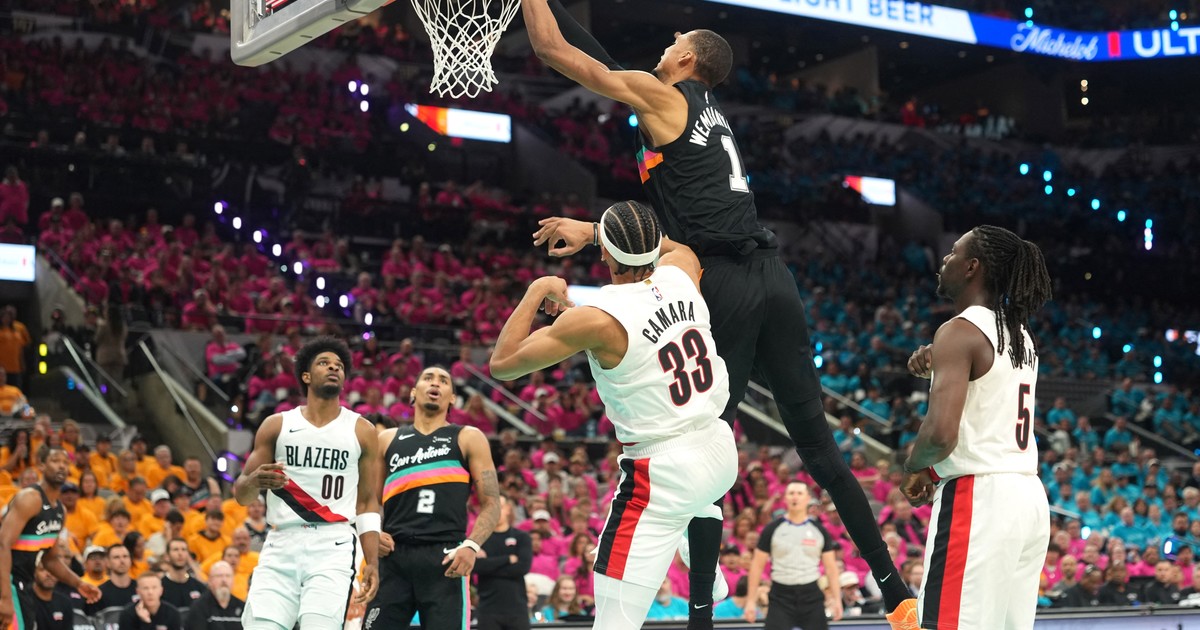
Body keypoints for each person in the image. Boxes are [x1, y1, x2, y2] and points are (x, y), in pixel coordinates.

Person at [522, 5, 914, 625]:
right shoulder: (703, 109)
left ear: (687, 58)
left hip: (723, 280)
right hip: (774, 277)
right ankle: (897, 595)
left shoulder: (664, 96)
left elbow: (556, 52)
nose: (667, 41)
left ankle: (702, 613)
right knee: (818, 447)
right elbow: (603, 56)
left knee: (703, 437)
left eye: (675, 38)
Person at [491, 201, 738, 629]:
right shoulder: (681, 271)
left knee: (613, 623)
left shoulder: (597, 320)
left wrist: (539, 288)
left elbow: (503, 363)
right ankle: (702, 564)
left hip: (663, 473)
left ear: (606, 252)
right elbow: (674, 249)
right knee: (696, 499)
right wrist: (594, 230)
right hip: (719, 450)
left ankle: (685, 539)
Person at [901, 226, 1053, 629]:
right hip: (1028, 497)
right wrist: (938, 360)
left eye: (953, 253)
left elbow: (940, 435)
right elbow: (986, 389)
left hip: (980, 497)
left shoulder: (959, 331)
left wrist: (915, 467)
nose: (944, 260)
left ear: (972, 267)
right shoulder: (1021, 335)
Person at [234, 337, 381, 630]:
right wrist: (253, 481)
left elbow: (367, 503)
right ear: (306, 376)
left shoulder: (362, 430)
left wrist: (373, 562)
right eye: (324, 363)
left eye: (339, 366)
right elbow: (241, 495)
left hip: (333, 543)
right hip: (281, 541)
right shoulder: (277, 425)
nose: (334, 368)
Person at [365, 366, 500, 628]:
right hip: (394, 556)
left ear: (452, 398)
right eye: (428, 378)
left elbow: (492, 503)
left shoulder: (468, 437)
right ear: (413, 393)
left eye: (443, 381)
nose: (435, 383)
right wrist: (372, 532)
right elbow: (368, 500)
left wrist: (472, 545)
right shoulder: (387, 439)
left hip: (446, 556)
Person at [0, 446, 100, 628]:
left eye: (65, 462)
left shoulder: (60, 511)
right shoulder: (30, 499)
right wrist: (5, 597)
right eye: (55, 461)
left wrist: (78, 583)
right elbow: (2, 545)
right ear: (42, 465)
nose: (61, 466)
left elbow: (50, 559)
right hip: (8, 583)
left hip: (23, 584)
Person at [743, 482, 843, 629]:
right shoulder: (772, 529)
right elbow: (757, 566)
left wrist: (837, 600)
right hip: (780, 596)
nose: (795, 497)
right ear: (785, 498)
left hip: (811, 595)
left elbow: (831, 568)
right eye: (791, 493)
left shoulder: (819, 530)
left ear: (808, 498)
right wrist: (751, 602)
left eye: (799, 493)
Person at [475, 495, 533, 630]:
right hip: (488, 609)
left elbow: (522, 568)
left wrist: (488, 564)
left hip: (517, 608)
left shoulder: (522, 537)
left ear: (508, 509)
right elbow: (476, 566)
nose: (496, 511)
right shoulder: (478, 539)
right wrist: (507, 559)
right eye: (491, 507)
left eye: (500, 507)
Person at [186, 560, 244, 630]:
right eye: (219, 576)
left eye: (228, 576)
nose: (224, 580)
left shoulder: (242, 607)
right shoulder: (199, 607)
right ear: (210, 580)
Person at [118, 573, 183, 629]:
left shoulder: (172, 613)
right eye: (145, 588)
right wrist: (145, 623)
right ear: (137, 592)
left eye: (154, 587)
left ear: (161, 590)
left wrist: (147, 623)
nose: (150, 592)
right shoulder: (127, 614)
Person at [88, 544, 136, 614]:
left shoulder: (141, 589)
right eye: (116, 557)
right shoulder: (99, 594)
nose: (122, 561)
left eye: (125, 556)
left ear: (130, 560)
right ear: (107, 562)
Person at [161, 538, 206, 610]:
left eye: (183, 550)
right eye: (175, 549)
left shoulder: (199, 587)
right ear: (167, 556)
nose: (180, 553)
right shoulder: (159, 587)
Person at [30, 564, 74, 630]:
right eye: (43, 570)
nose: (49, 574)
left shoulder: (65, 602)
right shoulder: (24, 599)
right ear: (34, 572)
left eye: (53, 570)